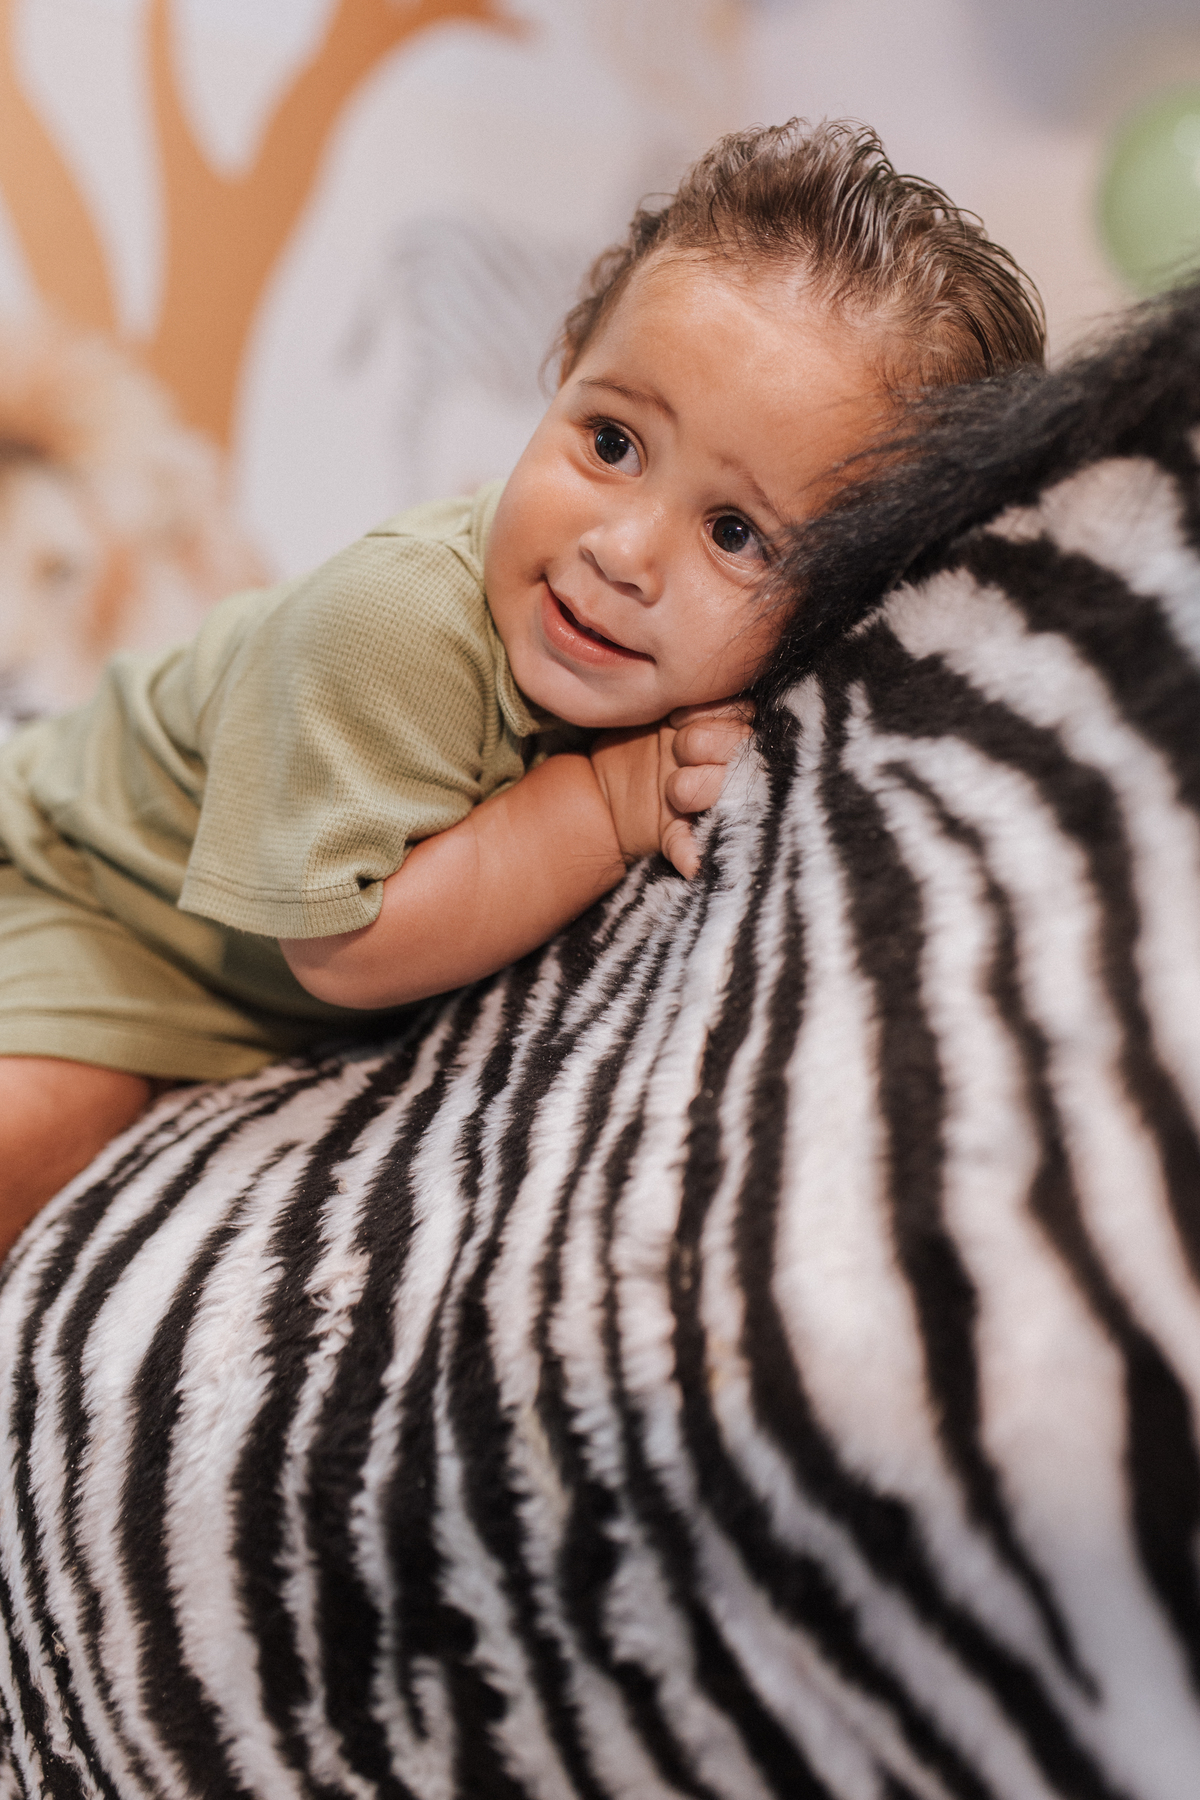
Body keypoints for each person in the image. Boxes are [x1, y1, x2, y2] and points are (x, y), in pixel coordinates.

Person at [0, 119, 1045, 1251]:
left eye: (736, 534)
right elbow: (343, 945)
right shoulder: (394, 622)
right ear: (563, 367)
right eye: (612, 443)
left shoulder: (717, 682)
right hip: (83, 886)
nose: (623, 551)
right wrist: (604, 804)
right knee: (44, 1127)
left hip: (209, 961)